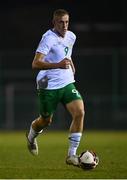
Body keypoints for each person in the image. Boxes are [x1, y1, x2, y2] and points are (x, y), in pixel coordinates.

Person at [26, 9, 85, 167]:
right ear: (54, 23)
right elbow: (35, 63)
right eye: (61, 22)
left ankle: (71, 155)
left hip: (66, 82)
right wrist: (57, 65)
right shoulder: (48, 38)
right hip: (48, 84)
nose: (64, 25)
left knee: (79, 112)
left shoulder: (72, 36)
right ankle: (31, 137)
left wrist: (70, 63)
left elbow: (67, 52)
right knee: (45, 121)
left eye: (66, 22)